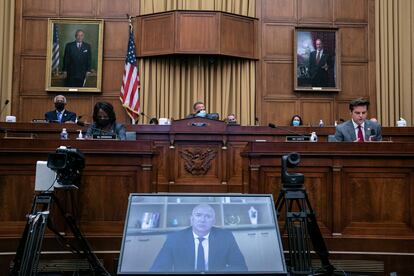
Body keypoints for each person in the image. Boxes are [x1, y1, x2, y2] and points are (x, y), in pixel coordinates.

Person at [150, 204, 247, 272]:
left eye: (208, 216)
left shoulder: (226, 237)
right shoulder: (174, 239)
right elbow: (158, 269)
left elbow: (240, 267)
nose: (202, 220)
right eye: (198, 215)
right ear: (191, 219)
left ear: (214, 222)